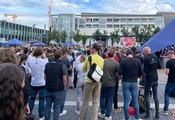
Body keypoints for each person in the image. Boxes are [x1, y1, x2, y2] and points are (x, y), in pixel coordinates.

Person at [80, 43, 104, 120]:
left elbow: (83, 69)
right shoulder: (102, 59)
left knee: (85, 101)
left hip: (89, 81)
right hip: (97, 81)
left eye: (91, 48)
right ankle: (94, 118)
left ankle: (83, 118)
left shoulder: (88, 58)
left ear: (94, 49)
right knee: (96, 102)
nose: (89, 49)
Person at [118, 49, 143, 120]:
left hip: (125, 81)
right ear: (133, 54)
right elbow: (141, 73)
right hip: (134, 82)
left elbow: (120, 72)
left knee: (126, 100)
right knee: (135, 100)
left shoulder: (123, 61)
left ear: (126, 54)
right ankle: (137, 117)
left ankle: (127, 118)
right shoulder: (137, 61)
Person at [44, 50, 67, 120]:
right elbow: (64, 78)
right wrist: (64, 86)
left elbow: (45, 77)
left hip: (48, 87)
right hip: (58, 88)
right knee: (57, 106)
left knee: (47, 106)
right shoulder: (62, 65)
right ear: (60, 56)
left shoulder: (47, 64)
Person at [98, 49, 119, 120]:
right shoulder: (116, 63)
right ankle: (107, 115)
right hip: (112, 83)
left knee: (102, 97)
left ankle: (102, 112)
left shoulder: (103, 61)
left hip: (104, 82)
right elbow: (118, 74)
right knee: (110, 98)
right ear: (114, 55)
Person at [28, 48, 48, 120]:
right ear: (41, 54)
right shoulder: (45, 62)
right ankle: (41, 115)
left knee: (32, 98)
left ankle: (29, 113)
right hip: (42, 82)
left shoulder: (31, 61)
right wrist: (45, 57)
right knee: (42, 99)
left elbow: (28, 65)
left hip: (33, 82)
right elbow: (46, 62)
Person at [142, 46, 161, 120]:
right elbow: (159, 67)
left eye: (144, 51)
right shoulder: (155, 57)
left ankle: (147, 114)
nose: (143, 53)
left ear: (146, 51)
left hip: (149, 79)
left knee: (146, 95)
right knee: (156, 96)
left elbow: (145, 70)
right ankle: (157, 115)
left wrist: (143, 68)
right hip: (155, 78)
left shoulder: (146, 58)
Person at [161, 51, 175, 116]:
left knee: (166, 94)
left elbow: (167, 72)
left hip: (171, 80)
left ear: (170, 54)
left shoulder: (169, 62)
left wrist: (165, 71)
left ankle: (165, 109)